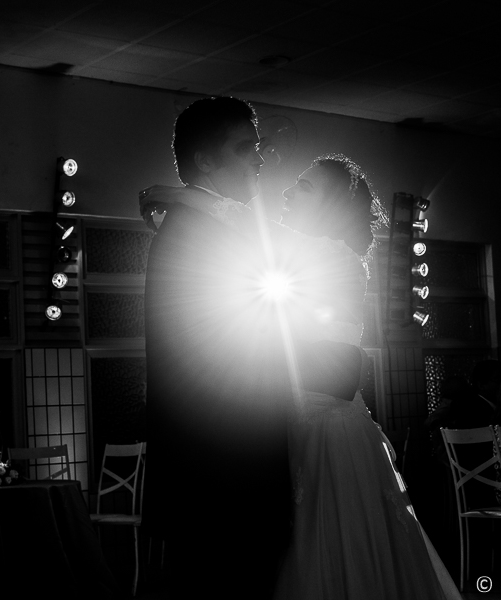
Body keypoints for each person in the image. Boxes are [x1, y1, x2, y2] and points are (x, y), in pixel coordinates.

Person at [139, 97, 362, 599]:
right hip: (225, 480)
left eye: (258, 147)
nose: (259, 158)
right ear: (206, 161)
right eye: (245, 148)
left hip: (221, 476)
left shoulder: (204, 225)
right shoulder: (199, 236)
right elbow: (231, 360)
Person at [272, 154, 462, 600]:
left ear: (332, 206)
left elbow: (339, 375)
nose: (285, 193)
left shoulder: (334, 257)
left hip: (328, 435)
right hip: (302, 425)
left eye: (303, 187)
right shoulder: (297, 257)